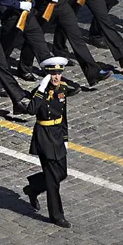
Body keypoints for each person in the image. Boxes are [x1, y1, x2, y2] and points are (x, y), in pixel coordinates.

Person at [24, 56, 80, 227]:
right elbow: (30, 110)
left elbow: (64, 116)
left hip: (57, 134)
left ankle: (33, 187)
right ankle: (56, 216)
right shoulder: (39, 92)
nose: (57, 77)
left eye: (59, 73)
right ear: (47, 75)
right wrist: (40, 88)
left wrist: (65, 138)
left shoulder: (62, 89)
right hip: (44, 136)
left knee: (61, 173)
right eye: (53, 74)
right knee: (53, 180)